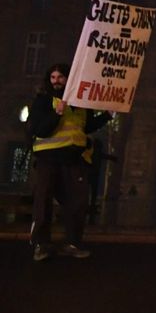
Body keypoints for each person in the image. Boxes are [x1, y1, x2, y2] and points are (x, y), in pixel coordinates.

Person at [27, 63, 107, 261]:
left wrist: (106, 115)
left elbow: (86, 126)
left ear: (69, 79)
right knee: (43, 202)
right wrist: (57, 113)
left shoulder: (80, 105)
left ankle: (72, 242)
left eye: (60, 77)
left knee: (78, 203)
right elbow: (40, 129)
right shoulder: (43, 101)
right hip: (48, 158)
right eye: (53, 77)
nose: (56, 81)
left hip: (73, 160)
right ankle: (41, 244)